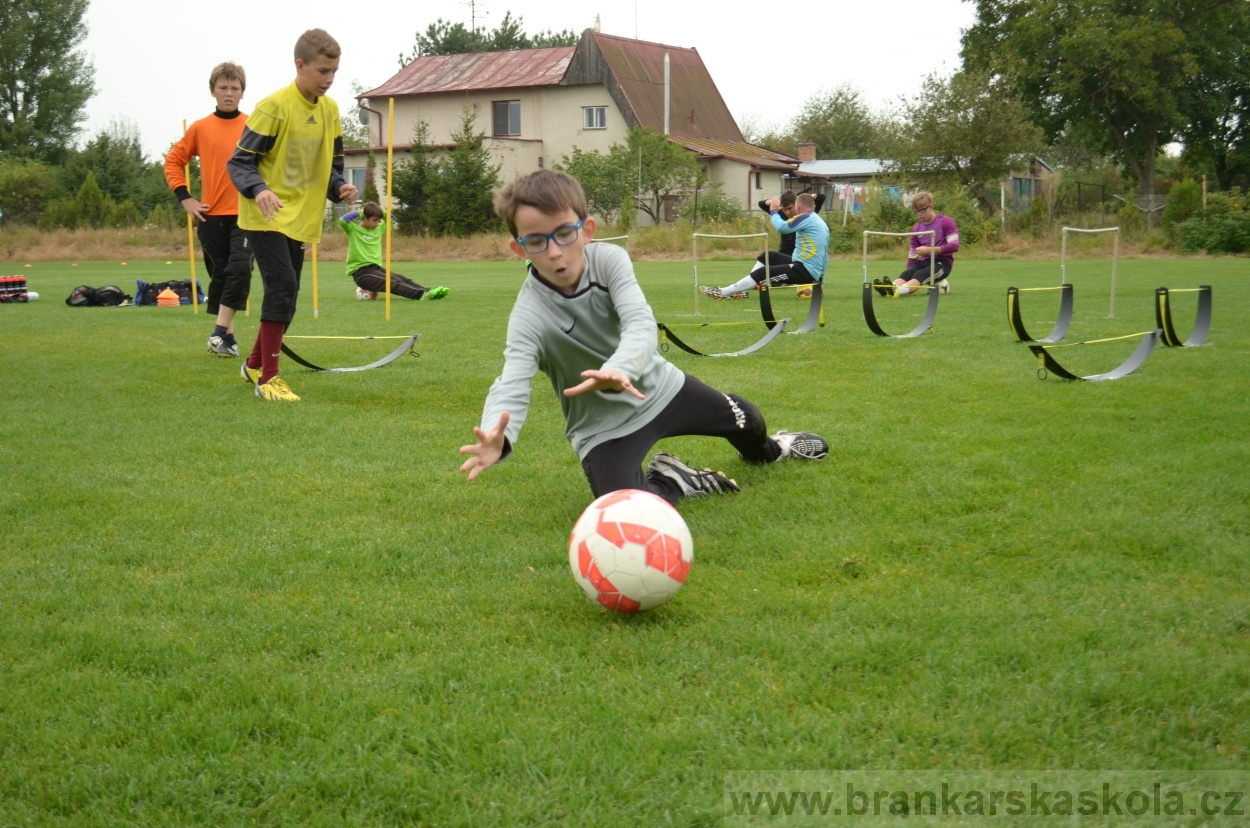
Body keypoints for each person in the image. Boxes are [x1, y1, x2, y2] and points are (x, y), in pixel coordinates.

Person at [459, 169, 828, 508]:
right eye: (537, 241)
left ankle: (775, 449)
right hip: (601, 428)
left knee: (746, 420)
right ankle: (677, 480)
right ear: (519, 249)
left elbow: (639, 323)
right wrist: (497, 434)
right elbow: (512, 381)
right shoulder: (529, 315)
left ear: (586, 230)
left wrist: (619, 367)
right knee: (627, 506)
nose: (555, 251)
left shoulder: (609, 261)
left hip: (662, 389)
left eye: (564, 234)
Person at [227, 29, 357, 401]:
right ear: (299, 65)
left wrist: (339, 188)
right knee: (282, 287)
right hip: (265, 215)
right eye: (322, 71)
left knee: (290, 295)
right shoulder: (274, 107)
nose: (329, 78)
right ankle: (268, 379)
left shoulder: (330, 110)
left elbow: (331, 166)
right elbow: (239, 163)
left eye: (334, 71)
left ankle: (253, 363)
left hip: (301, 218)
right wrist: (260, 189)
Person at [164, 62, 254, 357]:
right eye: (223, 88)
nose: (229, 93)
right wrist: (185, 198)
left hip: (246, 214)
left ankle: (217, 333)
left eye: (235, 88)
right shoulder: (200, 128)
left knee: (240, 270)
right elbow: (173, 162)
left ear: (242, 92)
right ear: (213, 91)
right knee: (222, 276)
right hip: (210, 215)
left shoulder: (254, 125)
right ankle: (226, 338)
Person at [701, 192, 830, 300]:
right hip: (804, 266)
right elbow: (824, 256)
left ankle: (724, 293)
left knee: (762, 274)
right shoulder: (818, 220)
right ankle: (741, 290)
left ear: (797, 206)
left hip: (804, 270)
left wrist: (774, 210)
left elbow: (781, 227)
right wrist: (819, 280)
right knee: (769, 256)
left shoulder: (806, 217)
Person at [339, 202, 448, 300]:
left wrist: (382, 213)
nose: (377, 223)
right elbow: (343, 220)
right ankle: (421, 295)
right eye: (374, 220)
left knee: (402, 279)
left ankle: (428, 291)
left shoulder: (379, 229)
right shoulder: (353, 229)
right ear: (365, 218)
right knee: (392, 282)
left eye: (379, 220)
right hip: (362, 273)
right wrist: (361, 213)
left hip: (375, 268)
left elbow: (393, 219)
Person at [874, 191, 958, 296]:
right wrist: (910, 269)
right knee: (907, 273)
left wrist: (929, 250)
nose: (919, 214)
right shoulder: (916, 228)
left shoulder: (946, 222)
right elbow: (913, 253)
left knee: (920, 274)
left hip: (942, 263)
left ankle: (898, 291)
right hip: (923, 262)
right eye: (917, 211)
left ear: (931, 207)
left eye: (922, 210)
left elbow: (954, 245)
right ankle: (889, 288)